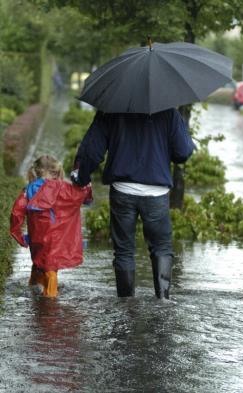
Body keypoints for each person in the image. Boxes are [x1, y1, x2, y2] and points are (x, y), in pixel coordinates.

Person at [72, 109, 196, 299]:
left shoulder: (111, 108)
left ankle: (126, 304)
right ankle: (163, 300)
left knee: (123, 250)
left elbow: (92, 150)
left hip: (122, 190)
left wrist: (80, 177)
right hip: (157, 191)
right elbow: (183, 152)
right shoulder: (168, 111)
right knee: (161, 248)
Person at [10, 155, 92, 297]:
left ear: (36, 171)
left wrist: (18, 235)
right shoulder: (63, 187)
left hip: (36, 238)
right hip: (56, 239)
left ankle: (34, 289)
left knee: (38, 262)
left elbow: (17, 213)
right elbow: (82, 196)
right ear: (55, 172)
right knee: (51, 269)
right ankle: (50, 306)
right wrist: (86, 185)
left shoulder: (28, 189)